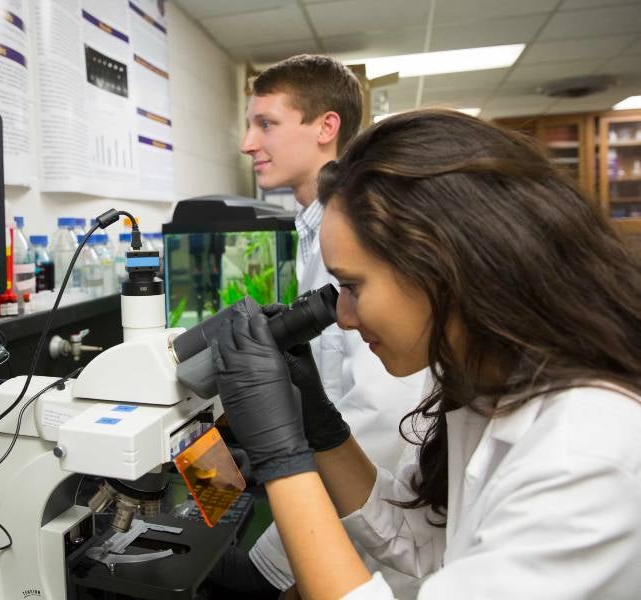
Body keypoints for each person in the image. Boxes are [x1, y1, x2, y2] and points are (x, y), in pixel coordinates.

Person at [211, 109, 641, 599]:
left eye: (352, 286)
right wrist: (321, 427)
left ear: (444, 268)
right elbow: (422, 541)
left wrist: (283, 460)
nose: (343, 316)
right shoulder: (488, 384)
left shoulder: (587, 455)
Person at [212, 54, 426, 597]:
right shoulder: (313, 235)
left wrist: (288, 457)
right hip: (362, 511)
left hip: (358, 520)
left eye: (266, 123)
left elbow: (384, 416)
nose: (247, 143)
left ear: (326, 126)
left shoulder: (361, 232)